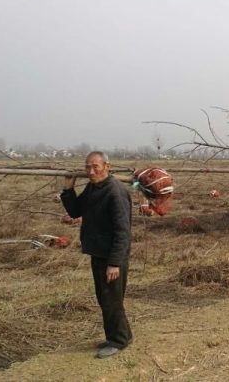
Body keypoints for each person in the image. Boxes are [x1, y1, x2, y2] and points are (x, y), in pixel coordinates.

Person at [60, 151, 133, 359]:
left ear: (107, 166)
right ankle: (123, 335)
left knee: (111, 299)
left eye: (95, 167)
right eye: (87, 167)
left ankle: (117, 341)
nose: (91, 171)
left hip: (112, 257)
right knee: (106, 298)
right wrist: (68, 188)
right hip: (98, 253)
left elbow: (122, 232)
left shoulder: (115, 192)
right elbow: (75, 211)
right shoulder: (93, 187)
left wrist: (115, 263)